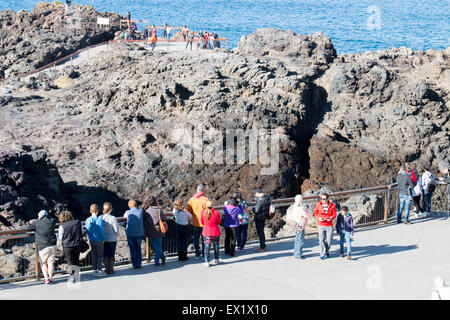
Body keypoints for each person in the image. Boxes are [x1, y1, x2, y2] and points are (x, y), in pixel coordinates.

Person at [27, 210, 57, 284]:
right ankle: (51, 278)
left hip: (43, 246)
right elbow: (55, 222)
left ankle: (46, 278)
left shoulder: (37, 222)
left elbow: (28, 228)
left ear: (39, 216)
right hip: (53, 245)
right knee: (50, 263)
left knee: (43, 263)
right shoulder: (51, 221)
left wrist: (31, 222)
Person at [57, 211, 83, 283]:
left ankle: (72, 276)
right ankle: (76, 275)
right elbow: (82, 232)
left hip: (67, 246)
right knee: (76, 260)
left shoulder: (62, 226)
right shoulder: (78, 222)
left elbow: (60, 237)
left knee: (70, 261)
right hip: (77, 244)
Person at [142, 196, 167, 266]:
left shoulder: (145, 211)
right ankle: (161, 257)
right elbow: (164, 218)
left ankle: (157, 261)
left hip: (150, 230)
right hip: (159, 230)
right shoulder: (159, 209)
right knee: (158, 246)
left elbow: (144, 221)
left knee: (155, 246)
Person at [187, 184, 209, 259]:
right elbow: (208, 210)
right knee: (204, 239)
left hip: (195, 222)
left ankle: (197, 254)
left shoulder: (191, 200)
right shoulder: (205, 199)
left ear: (197, 190)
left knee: (196, 239)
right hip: (204, 223)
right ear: (203, 190)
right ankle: (204, 254)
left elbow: (189, 211)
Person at [313, 192, 337, 260]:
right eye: (321, 199)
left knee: (329, 240)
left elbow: (334, 214)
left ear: (327, 199)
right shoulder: (318, 204)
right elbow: (315, 213)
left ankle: (326, 251)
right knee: (321, 240)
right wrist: (318, 218)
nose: (322, 200)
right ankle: (322, 253)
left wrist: (331, 218)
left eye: (324, 199)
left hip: (329, 225)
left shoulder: (332, 205)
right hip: (321, 224)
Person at [85, 204, 106, 277]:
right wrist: (103, 238)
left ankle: (94, 269)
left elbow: (87, 230)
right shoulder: (99, 220)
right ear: (97, 211)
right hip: (99, 240)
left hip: (92, 240)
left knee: (94, 254)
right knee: (100, 255)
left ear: (90, 211)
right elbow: (102, 231)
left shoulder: (87, 220)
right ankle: (99, 269)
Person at [286, 195, 309, 259]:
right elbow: (307, 215)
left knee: (297, 239)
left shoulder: (294, 207)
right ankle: (299, 254)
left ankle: (296, 253)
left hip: (296, 224)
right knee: (300, 240)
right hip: (301, 225)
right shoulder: (300, 208)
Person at [124, 200, 144, 269]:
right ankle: (139, 263)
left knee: (132, 249)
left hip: (130, 233)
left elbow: (124, 220)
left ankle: (134, 264)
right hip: (139, 233)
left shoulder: (127, 212)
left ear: (129, 205)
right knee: (138, 248)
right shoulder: (141, 211)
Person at [200, 201, 221, 267]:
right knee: (216, 245)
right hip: (215, 231)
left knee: (207, 246)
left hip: (206, 232)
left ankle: (207, 261)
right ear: (212, 205)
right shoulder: (216, 212)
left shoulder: (203, 212)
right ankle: (216, 259)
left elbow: (202, 222)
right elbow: (219, 222)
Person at [101, 202, 119, 274]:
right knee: (111, 254)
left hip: (104, 239)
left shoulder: (100, 217)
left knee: (105, 254)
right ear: (111, 209)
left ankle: (106, 269)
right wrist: (116, 234)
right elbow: (116, 230)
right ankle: (111, 269)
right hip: (112, 239)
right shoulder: (113, 218)